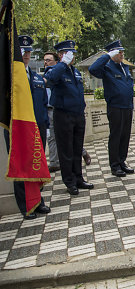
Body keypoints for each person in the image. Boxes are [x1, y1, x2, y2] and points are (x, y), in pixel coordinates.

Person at [3, 35, 51, 219]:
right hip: (19, 129)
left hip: (37, 127)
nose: (27, 54)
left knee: (37, 164)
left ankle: (38, 201)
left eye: (29, 51)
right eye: (23, 51)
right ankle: (25, 205)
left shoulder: (36, 76)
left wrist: (45, 125)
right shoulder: (11, 77)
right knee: (21, 166)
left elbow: (43, 103)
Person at [44, 40, 94, 195]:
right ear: (61, 55)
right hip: (63, 115)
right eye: (68, 53)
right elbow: (50, 79)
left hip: (78, 115)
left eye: (73, 54)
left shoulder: (75, 71)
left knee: (77, 149)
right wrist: (62, 64)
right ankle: (69, 181)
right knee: (66, 150)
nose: (72, 57)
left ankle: (78, 178)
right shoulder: (55, 70)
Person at [89, 40, 135, 177]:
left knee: (125, 136)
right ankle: (114, 165)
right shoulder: (107, 67)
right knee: (116, 136)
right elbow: (93, 69)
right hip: (115, 107)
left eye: (122, 51)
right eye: (118, 52)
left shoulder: (124, 67)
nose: (121, 54)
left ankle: (122, 161)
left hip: (127, 106)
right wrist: (107, 56)